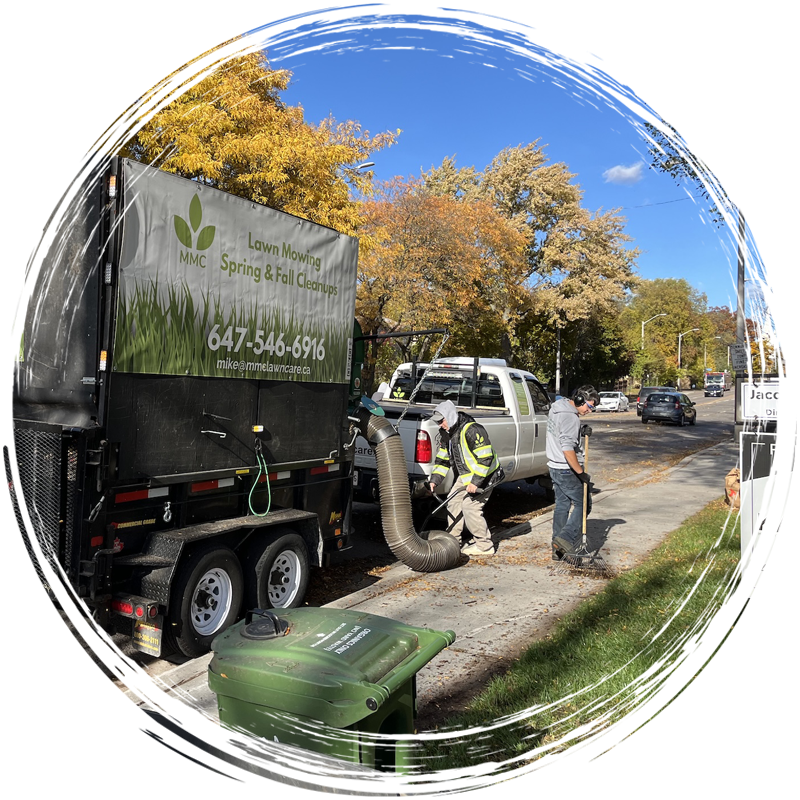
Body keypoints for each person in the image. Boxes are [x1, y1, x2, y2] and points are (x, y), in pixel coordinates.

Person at [427, 399, 501, 556]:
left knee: (470, 507)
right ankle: (453, 543)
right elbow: (443, 460)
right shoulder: (446, 434)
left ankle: (485, 546)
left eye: (442, 421)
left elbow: (485, 458)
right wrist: (434, 481)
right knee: (453, 502)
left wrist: (476, 482)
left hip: (486, 475)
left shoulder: (472, 430)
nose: (440, 424)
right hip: (467, 475)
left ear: (451, 416)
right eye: (438, 422)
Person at [546, 385, 601, 559]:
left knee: (562, 505)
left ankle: (558, 550)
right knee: (584, 504)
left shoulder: (558, 408)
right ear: (579, 400)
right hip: (566, 469)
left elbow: (562, 434)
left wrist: (580, 431)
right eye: (589, 406)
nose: (589, 411)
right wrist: (580, 472)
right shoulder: (571, 418)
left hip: (554, 466)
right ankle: (565, 539)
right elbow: (567, 448)